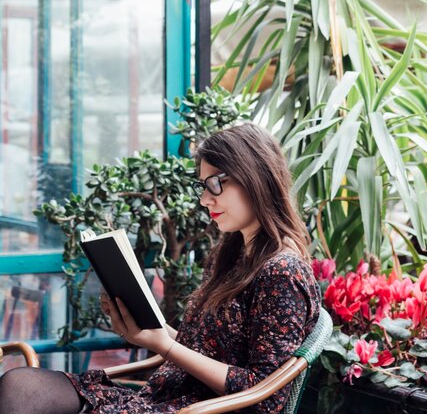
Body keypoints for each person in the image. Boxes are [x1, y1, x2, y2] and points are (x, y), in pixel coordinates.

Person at [0, 123, 321, 414]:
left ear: (255, 177)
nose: (204, 200)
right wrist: (149, 330)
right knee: (19, 385)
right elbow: (206, 346)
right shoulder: (234, 252)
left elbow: (267, 397)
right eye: (202, 187)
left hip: (203, 408)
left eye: (214, 184)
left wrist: (164, 345)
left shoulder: (282, 272)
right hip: (167, 395)